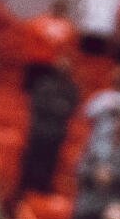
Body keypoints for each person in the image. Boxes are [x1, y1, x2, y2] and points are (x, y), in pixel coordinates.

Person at [18, 54, 81, 195]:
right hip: (39, 132)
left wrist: (55, 108)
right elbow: (38, 105)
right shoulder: (44, 84)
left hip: (56, 135)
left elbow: (71, 108)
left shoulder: (71, 89)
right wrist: (57, 107)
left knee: (48, 168)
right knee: (30, 166)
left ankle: (40, 196)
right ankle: (22, 197)